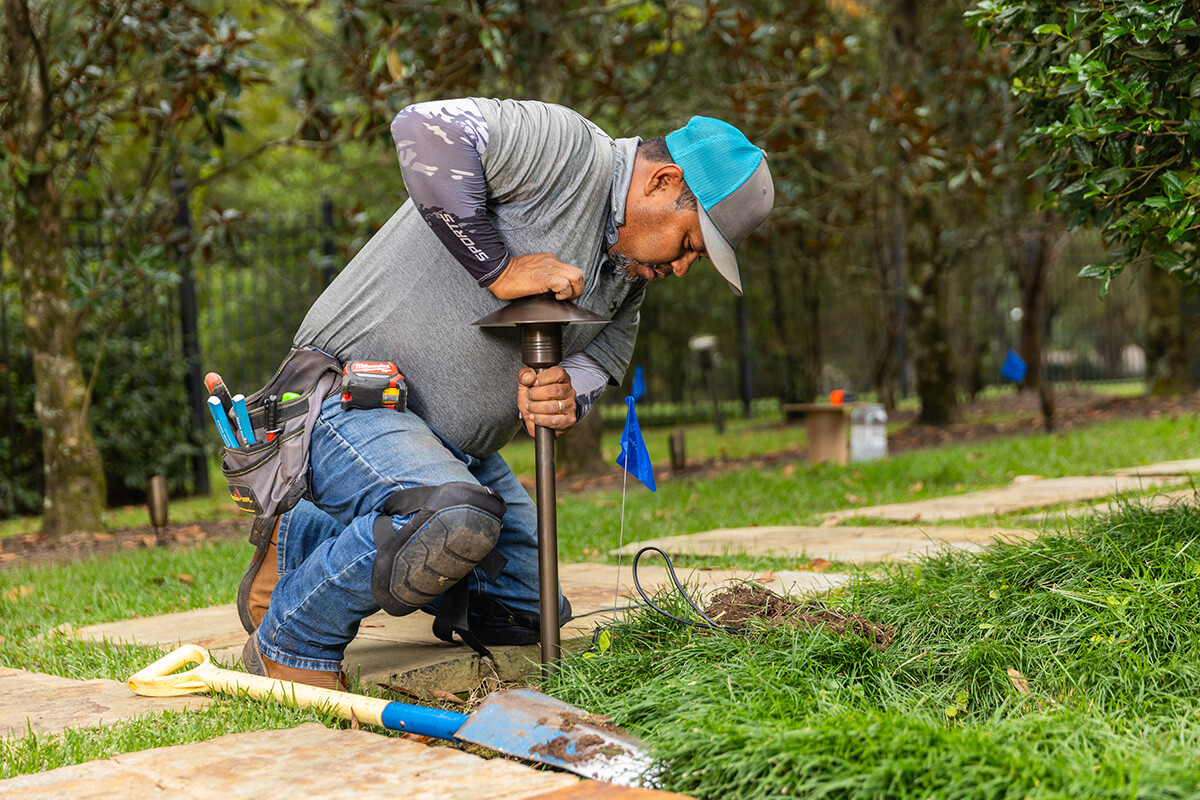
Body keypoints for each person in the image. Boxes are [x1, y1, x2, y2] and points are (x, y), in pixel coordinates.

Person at [238, 97, 774, 689]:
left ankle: (346, 535)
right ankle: (293, 638)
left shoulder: (626, 275)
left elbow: (596, 364)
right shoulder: (567, 151)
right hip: (347, 401)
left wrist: (568, 396)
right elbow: (423, 126)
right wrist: (498, 270)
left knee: (530, 610)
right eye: (691, 243)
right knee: (453, 517)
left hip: (457, 452)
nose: (682, 267)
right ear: (664, 181)